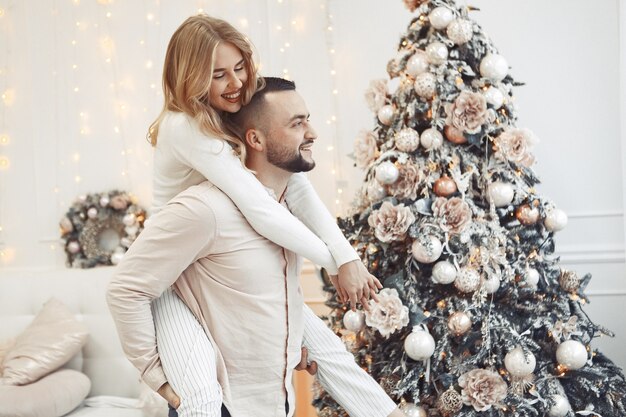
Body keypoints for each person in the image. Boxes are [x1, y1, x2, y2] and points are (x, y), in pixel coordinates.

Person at [107, 77, 406, 417]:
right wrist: (156, 376)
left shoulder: (290, 215)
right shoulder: (205, 209)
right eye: (297, 124)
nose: (313, 133)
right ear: (255, 139)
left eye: (307, 119)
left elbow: (328, 353)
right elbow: (124, 289)